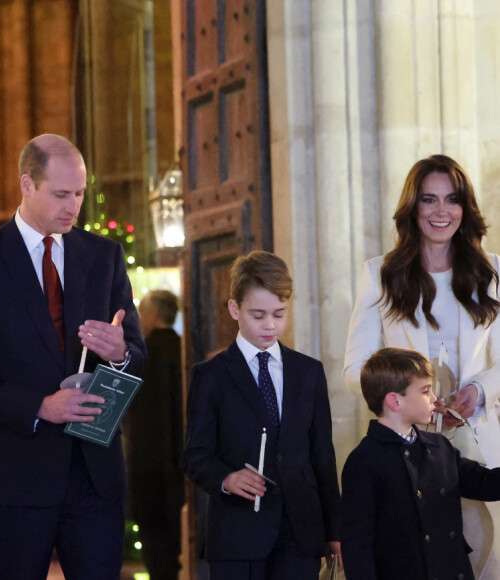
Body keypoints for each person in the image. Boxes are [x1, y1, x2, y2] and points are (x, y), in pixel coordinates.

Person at [0, 134, 146, 580]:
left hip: (95, 473)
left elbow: (135, 355)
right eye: (61, 194)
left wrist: (121, 352)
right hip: (17, 474)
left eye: (79, 193)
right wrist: (39, 407)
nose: (74, 205)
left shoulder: (104, 256)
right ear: (27, 185)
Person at [343, 154, 500, 578]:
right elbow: (355, 366)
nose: (441, 211)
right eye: (429, 200)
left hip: (480, 443)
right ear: (413, 208)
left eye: (451, 200)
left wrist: (479, 390)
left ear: (464, 208)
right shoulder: (381, 274)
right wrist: (405, 400)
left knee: (486, 562)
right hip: (408, 447)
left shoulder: (493, 272)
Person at [181, 250, 341, 579]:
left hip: (300, 534)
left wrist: (333, 530)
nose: (270, 325)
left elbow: (322, 455)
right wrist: (227, 478)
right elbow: (195, 456)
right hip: (237, 536)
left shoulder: (308, 372)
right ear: (234, 309)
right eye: (258, 315)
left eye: (279, 314)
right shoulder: (211, 376)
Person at [342, 347, 500, 580]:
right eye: (426, 391)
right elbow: (358, 545)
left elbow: (486, 484)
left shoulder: (439, 446)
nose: (436, 399)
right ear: (395, 401)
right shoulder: (363, 461)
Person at [125, 289, 184, 580]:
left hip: (146, 466)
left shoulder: (141, 356)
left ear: (153, 314)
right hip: (182, 467)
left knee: (155, 550)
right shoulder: (185, 349)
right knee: (177, 545)